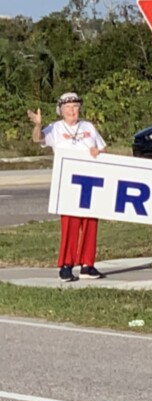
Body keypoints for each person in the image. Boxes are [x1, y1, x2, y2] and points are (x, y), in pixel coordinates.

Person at [28, 92, 107, 282]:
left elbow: (103, 148)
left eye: (75, 106)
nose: (72, 111)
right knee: (70, 224)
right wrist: (38, 125)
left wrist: (99, 152)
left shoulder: (88, 126)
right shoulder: (55, 128)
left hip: (90, 180)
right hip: (68, 182)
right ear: (61, 110)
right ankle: (66, 265)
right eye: (68, 107)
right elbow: (38, 140)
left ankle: (88, 265)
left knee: (90, 223)